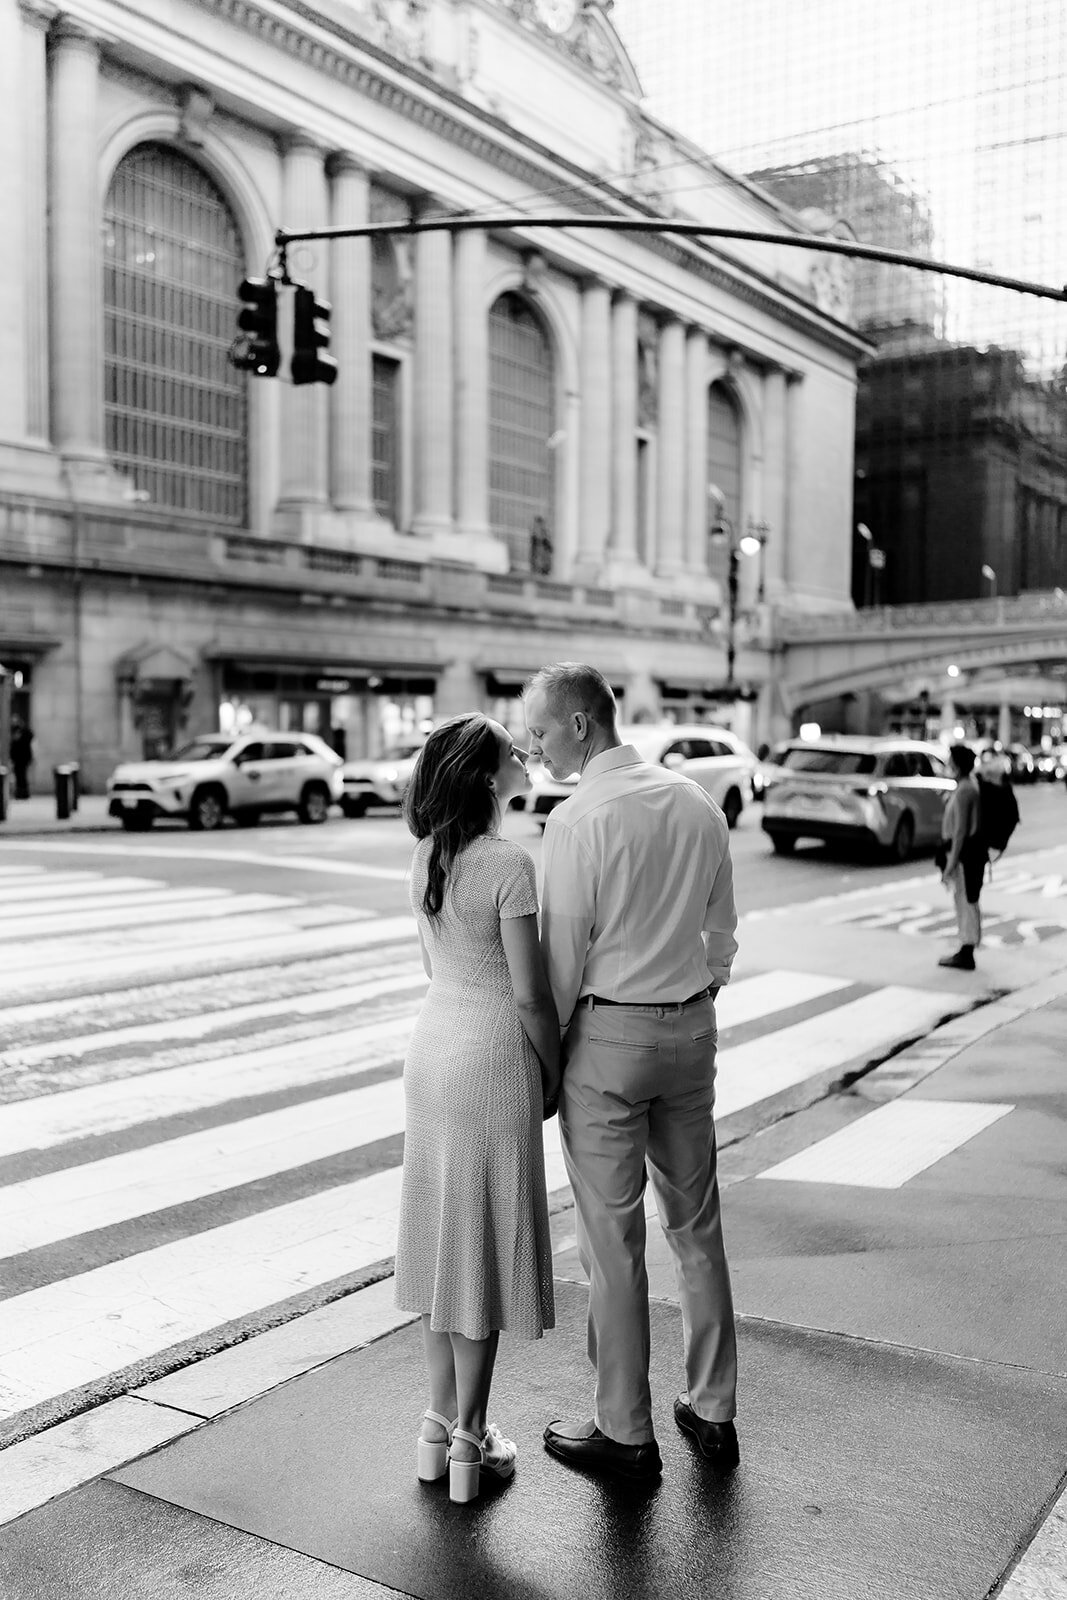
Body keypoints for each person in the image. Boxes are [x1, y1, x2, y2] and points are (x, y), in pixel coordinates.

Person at [525, 663, 740, 1482]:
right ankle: (712, 1409)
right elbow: (721, 928)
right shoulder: (694, 802)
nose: (534, 746)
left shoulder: (577, 819)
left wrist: (548, 1062)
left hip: (608, 1040)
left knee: (612, 1244)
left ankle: (624, 1430)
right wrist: (698, 987)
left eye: (541, 731)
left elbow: (559, 964)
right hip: (689, 1033)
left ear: (582, 726)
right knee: (696, 1226)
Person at [394, 713, 561, 1503]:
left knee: (439, 1256)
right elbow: (529, 994)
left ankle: (436, 1429)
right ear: (492, 779)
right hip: (492, 1063)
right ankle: (472, 1441)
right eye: (513, 753)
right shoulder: (508, 865)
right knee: (482, 1261)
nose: (526, 757)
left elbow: (436, 962)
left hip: (431, 1055)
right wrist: (555, 1069)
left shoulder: (427, 855)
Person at [937, 742, 986, 971]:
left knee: (966, 901)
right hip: (966, 853)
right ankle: (966, 948)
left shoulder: (966, 789)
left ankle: (967, 951)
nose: (947, 764)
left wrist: (951, 862)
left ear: (956, 764)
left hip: (966, 855)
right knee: (965, 899)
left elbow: (960, 831)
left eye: (950, 761)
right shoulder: (965, 786)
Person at [10, 714, 33, 800]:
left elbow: (30, 737)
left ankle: (23, 793)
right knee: (19, 776)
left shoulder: (25, 732)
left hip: (23, 758)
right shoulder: (14, 731)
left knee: (22, 776)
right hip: (17, 759)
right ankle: (20, 792)